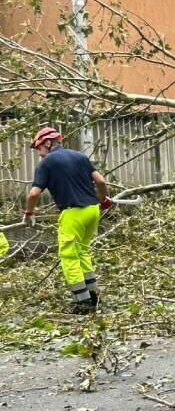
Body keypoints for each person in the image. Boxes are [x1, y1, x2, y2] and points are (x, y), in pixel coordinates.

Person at [22, 127, 111, 314]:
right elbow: (101, 182)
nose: (39, 153)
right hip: (92, 210)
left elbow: (33, 194)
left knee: (69, 256)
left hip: (73, 213)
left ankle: (83, 303)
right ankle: (93, 295)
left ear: (48, 142)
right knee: (82, 251)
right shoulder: (79, 156)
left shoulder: (46, 164)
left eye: (39, 147)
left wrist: (29, 213)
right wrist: (103, 200)